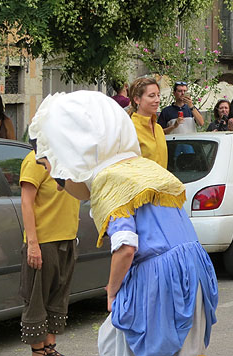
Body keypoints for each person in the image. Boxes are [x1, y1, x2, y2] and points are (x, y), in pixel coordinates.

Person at [28, 90, 218, 356]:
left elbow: (126, 246)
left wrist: (112, 291)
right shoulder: (143, 167)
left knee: (120, 343)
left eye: (52, 168)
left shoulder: (109, 180)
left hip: (159, 275)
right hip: (193, 268)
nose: (58, 184)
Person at [19, 149, 80, 356]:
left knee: (58, 299)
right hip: (43, 241)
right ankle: (38, 352)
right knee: (37, 301)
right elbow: (26, 201)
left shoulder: (67, 156)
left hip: (67, 238)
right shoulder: (35, 160)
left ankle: (49, 349)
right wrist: (32, 244)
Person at [128, 77, 167, 168]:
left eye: (158, 95)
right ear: (137, 99)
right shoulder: (130, 128)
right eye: (151, 96)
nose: (157, 100)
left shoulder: (158, 128)